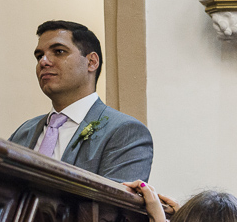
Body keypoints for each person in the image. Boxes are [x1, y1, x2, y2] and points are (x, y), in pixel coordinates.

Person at [9, 21, 152, 183]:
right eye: (39, 56)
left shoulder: (125, 132)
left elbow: (114, 207)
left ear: (91, 62)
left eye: (59, 51)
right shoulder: (23, 132)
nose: (43, 62)